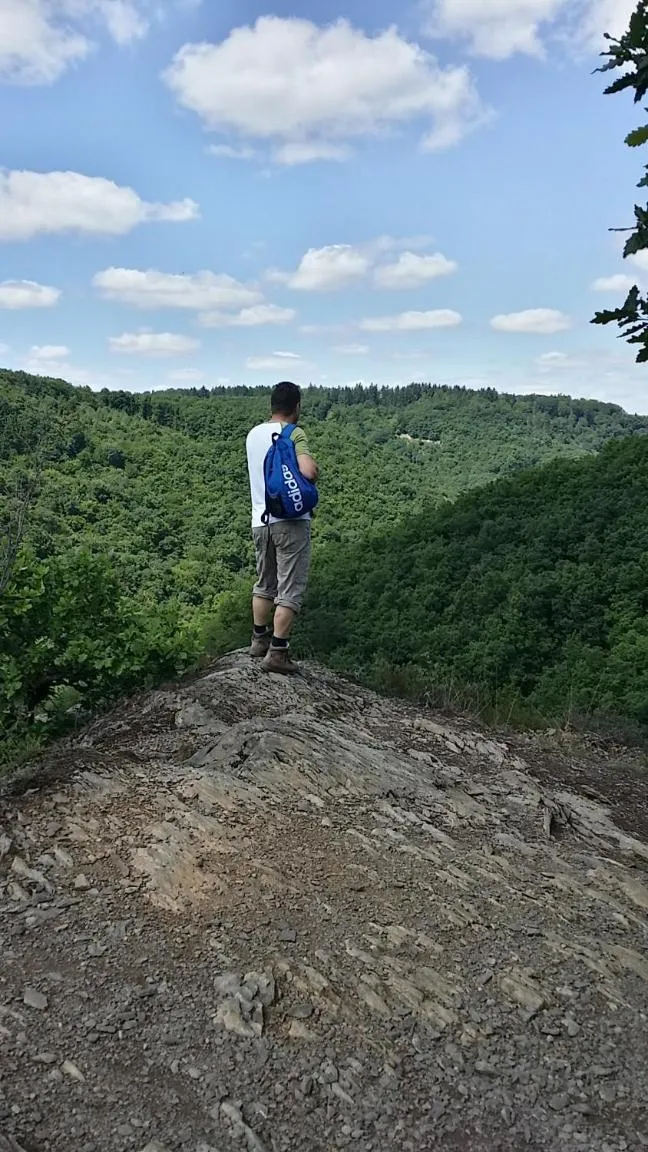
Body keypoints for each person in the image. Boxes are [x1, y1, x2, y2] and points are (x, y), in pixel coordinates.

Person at [245, 381, 319, 674]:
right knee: (289, 587)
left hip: (260, 521)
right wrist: (316, 470)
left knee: (264, 582)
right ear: (297, 407)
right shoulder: (294, 433)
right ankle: (278, 651)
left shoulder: (253, 435)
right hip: (290, 521)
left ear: (271, 406)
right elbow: (307, 471)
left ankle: (258, 639)